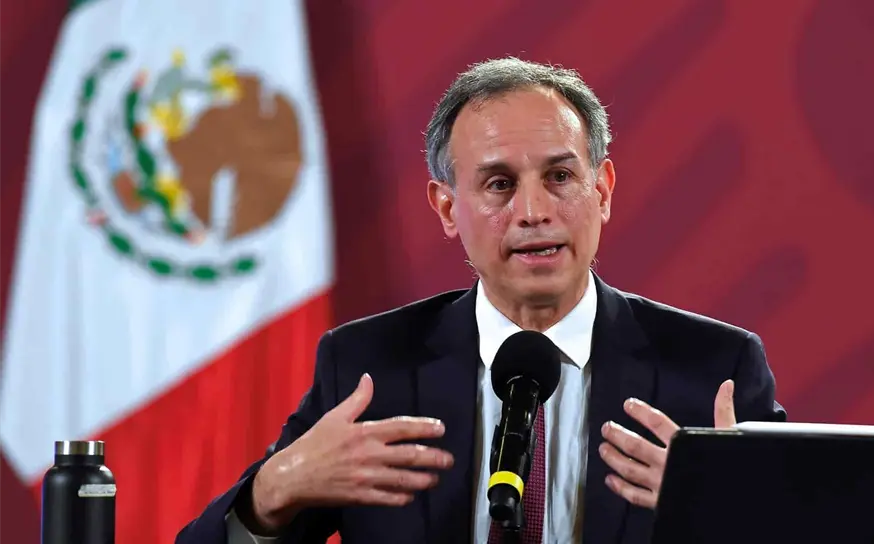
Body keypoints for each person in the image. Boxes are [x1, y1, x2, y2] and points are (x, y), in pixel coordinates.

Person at [176, 57, 786, 544]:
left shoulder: (713, 373)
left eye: (560, 177)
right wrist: (273, 493)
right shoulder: (371, 368)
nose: (533, 212)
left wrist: (736, 517)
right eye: (499, 184)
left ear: (601, 190)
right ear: (447, 209)